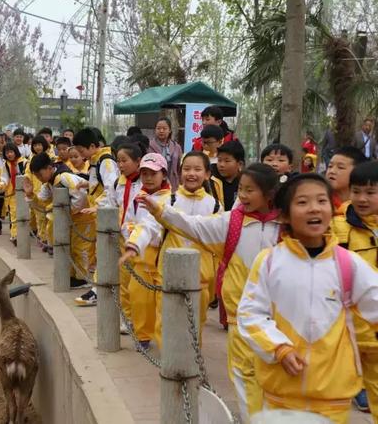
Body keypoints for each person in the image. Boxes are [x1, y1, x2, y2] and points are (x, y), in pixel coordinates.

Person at [137, 163, 282, 421]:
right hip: (242, 319)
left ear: (270, 194)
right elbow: (194, 226)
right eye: (240, 189)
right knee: (244, 376)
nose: (243, 196)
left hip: (281, 322)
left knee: (276, 380)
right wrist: (161, 211)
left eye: (251, 190)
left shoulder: (287, 226)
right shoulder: (231, 223)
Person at [238, 173, 378, 423]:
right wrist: (279, 348)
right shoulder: (270, 262)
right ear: (284, 215)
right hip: (280, 396)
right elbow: (250, 314)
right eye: (302, 202)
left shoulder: (348, 264)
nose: (314, 208)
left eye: (322, 201)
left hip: (333, 399)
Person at [152, 151, 222, 347]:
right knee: (166, 316)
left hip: (201, 276)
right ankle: (168, 359)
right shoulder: (169, 200)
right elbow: (150, 227)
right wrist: (134, 244)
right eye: (187, 169)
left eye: (198, 169)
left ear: (207, 174)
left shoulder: (215, 205)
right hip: (168, 271)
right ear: (180, 172)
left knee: (196, 320)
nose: (192, 173)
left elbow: (219, 239)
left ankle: (192, 358)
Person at [332, 160, 378, 416]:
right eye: (356, 191)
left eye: (370, 192)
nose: (362, 198)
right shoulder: (338, 227)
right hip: (348, 331)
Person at [117, 153, 171, 350]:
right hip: (140, 254)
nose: (148, 178)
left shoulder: (171, 198)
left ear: (163, 174)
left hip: (162, 254)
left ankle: (166, 342)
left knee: (163, 301)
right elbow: (129, 220)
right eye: (144, 173)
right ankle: (142, 335)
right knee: (139, 297)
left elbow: (157, 226)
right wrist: (130, 231)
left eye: (153, 173)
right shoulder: (137, 196)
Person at [26, 152, 94, 287]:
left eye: (40, 175)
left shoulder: (65, 178)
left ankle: (82, 278)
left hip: (84, 219)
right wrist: (30, 195)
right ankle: (72, 276)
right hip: (70, 221)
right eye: (36, 176)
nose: (39, 178)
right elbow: (41, 203)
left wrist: (64, 212)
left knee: (81, 250)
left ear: (49, 168)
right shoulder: (49, 184)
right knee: (71, 249)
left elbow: (80, 198)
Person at [72, 127, 120, 305]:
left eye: (82, 150)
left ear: (92, 146)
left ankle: (98, 290)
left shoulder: (105, 162)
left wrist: (98, 207)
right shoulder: (95, 161)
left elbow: (112, 188)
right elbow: (98, 184)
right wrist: (86, 184)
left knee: (104, 252)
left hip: (106, 216)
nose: (80, 154)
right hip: (98, 217)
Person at [107, 141, 146, 329]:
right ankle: (127, 317)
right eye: (118, 161)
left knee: (140, 283)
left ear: (138, 161)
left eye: (125, 161)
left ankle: (141, 319)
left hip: (143, 240)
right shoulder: (118, 183)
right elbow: (113, 203)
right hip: (124, 237)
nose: (121, 165)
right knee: (124, 281)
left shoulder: (147, 182)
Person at [0, 143, 26, 246]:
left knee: (24, 214)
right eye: (7, 152)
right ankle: (15, 235)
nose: (9, 154)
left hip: (24, 192)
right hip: (12, 193)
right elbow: (4, 178)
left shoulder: (24, 162)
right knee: (13, 214)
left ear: (15, 152)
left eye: (11, 152)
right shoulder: (6, 165)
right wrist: (0, 185)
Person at [326, 146, 368, 216]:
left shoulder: (368, 206)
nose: (332, 171)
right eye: (330, 166)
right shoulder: (322, 203)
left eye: (340, 167)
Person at [27, 135, 51, 251]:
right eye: (35, 145)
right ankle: (43, 238)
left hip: (48, 193)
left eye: (39, 145)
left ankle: (49, 239)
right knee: (40, 218)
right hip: (37, 192)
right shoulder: (31, 160)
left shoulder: (50, 158)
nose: (37, 147)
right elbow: (28, 175)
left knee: (49, 218)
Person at [148, 117, 182, 192]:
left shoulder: (176, 147)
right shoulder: (149, 146)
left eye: (164, 128)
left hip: (173, 184)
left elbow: (179, 168)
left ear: (169, 130)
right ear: (155, 130)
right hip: (154, 184)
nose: (161, 131)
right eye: (158, 128)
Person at [213, 140, 245, 212]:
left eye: (227, 161)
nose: (221, 165)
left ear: (240, 164)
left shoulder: (246, 182)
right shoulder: (211, 180)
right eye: (219, 160)